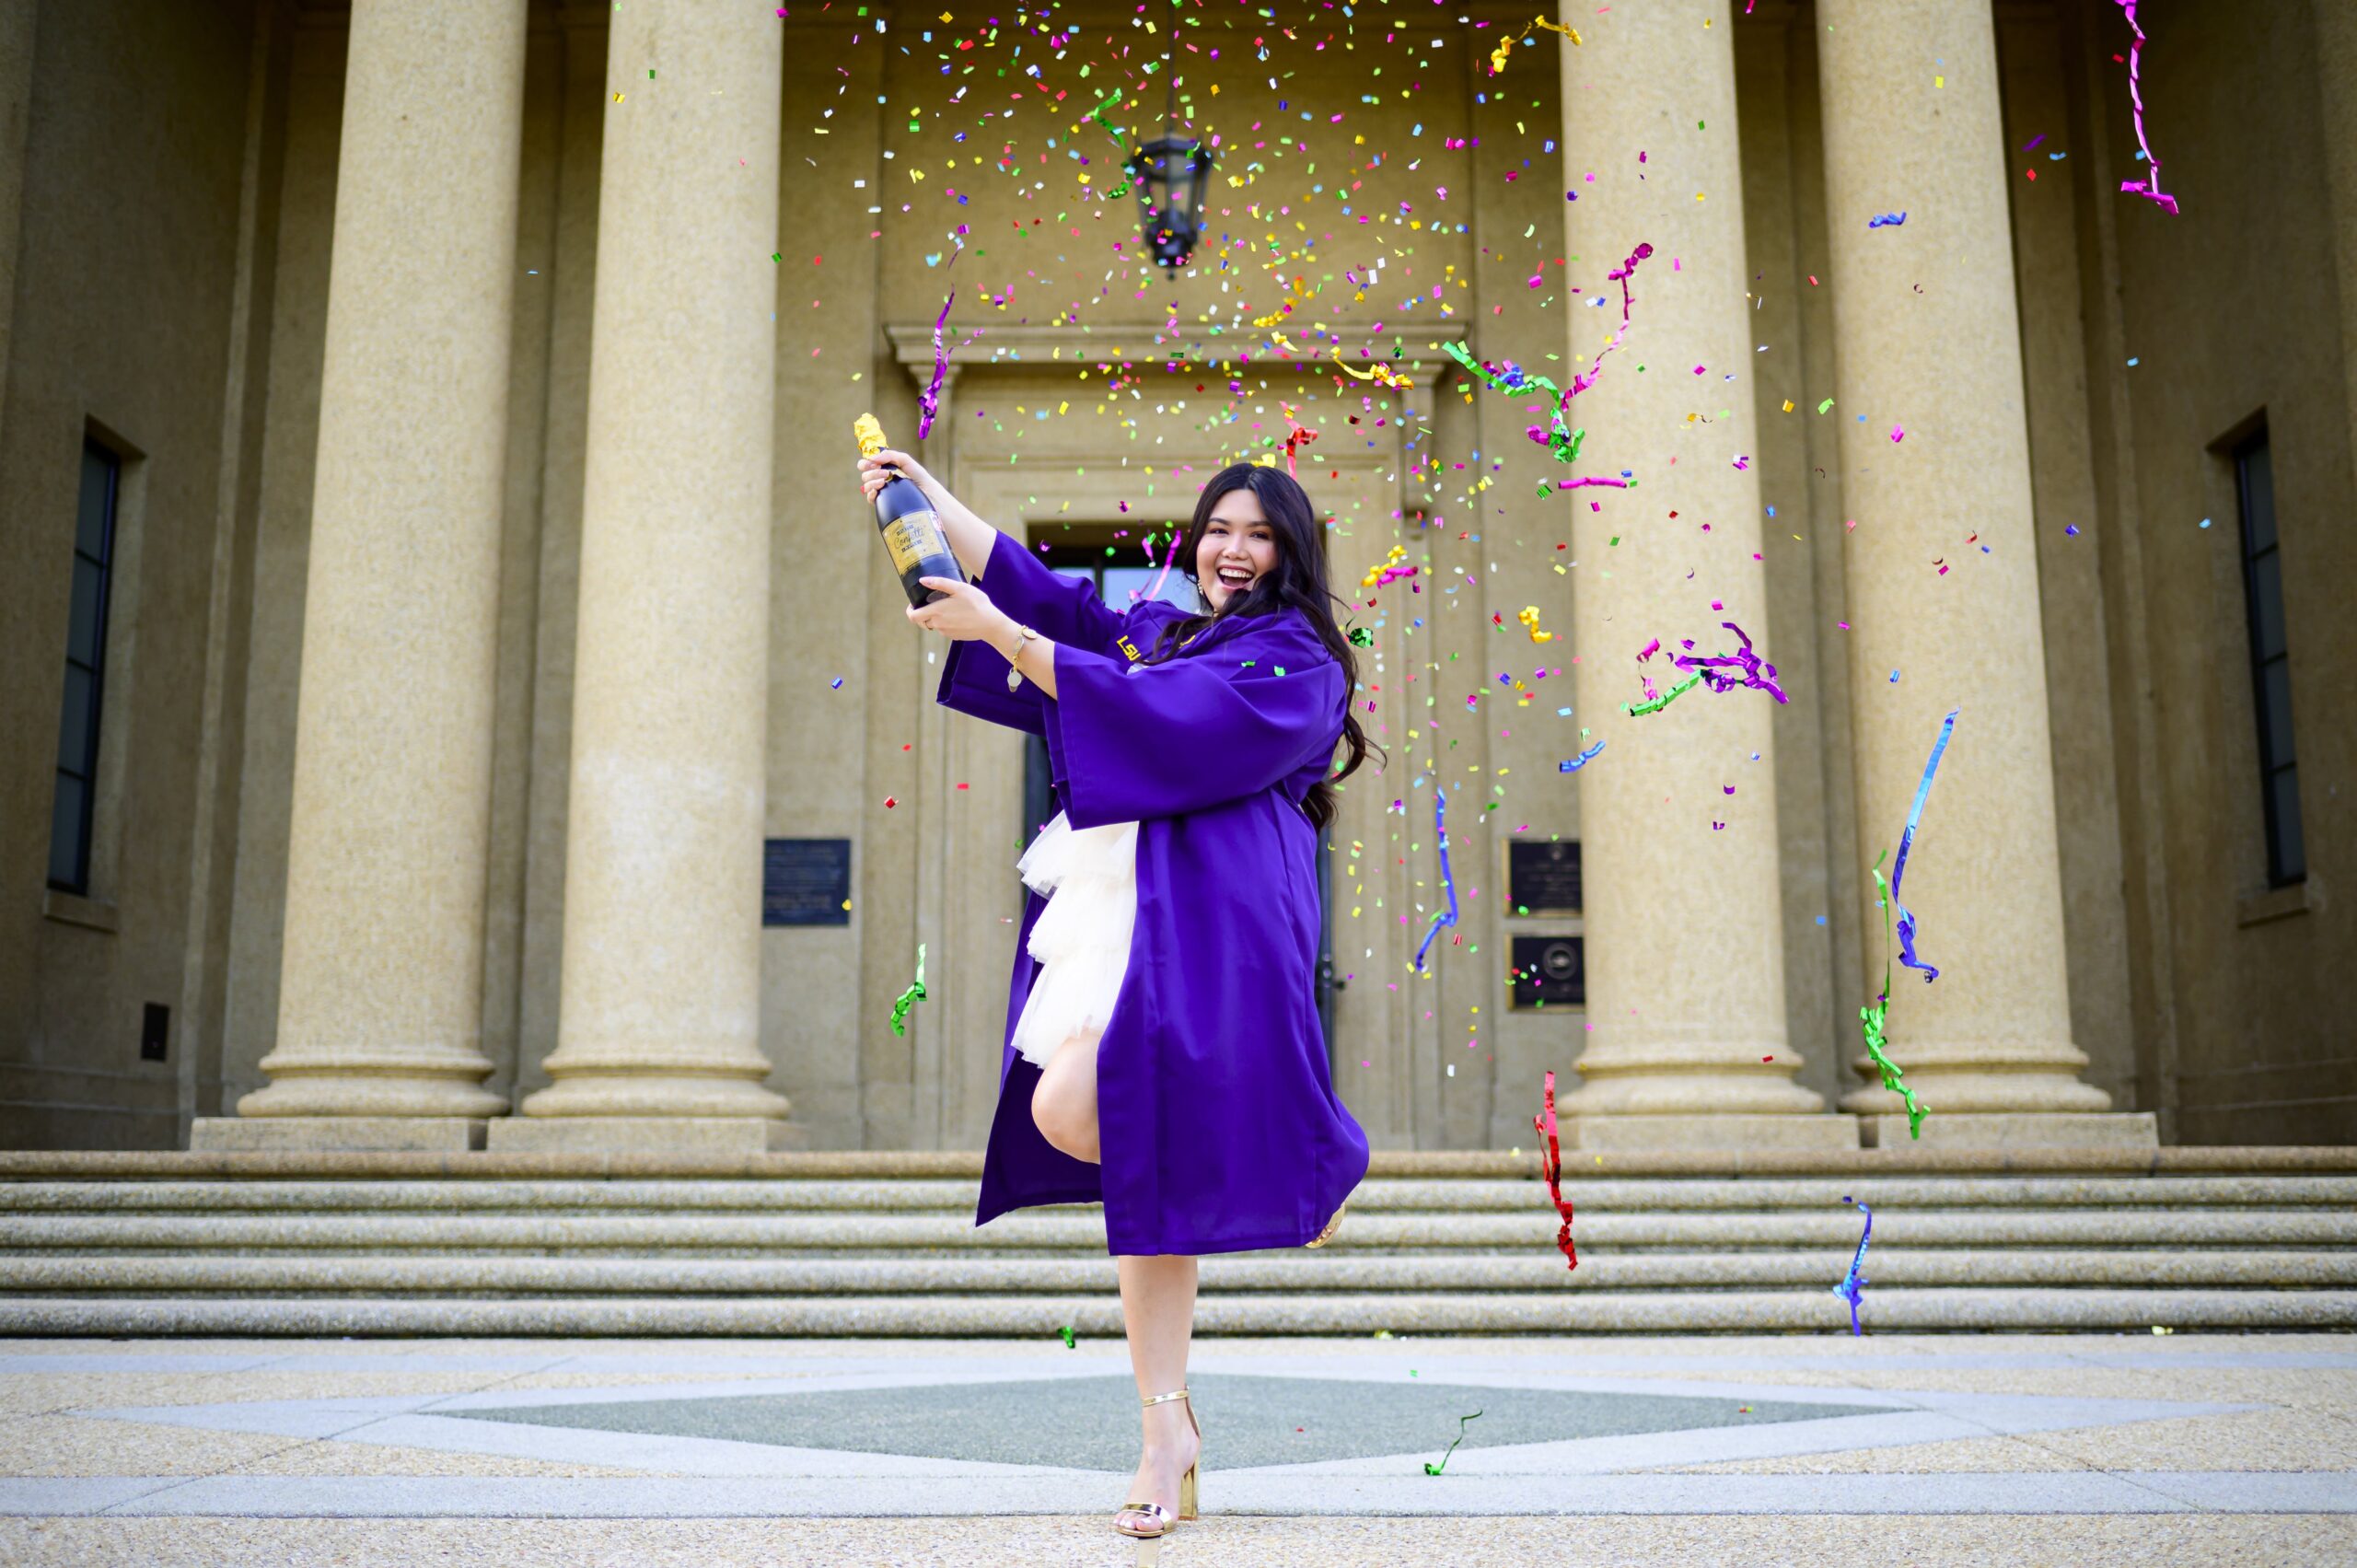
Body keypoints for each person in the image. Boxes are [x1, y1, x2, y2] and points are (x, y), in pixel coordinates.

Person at [856, 447, 1376, 1544]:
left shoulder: (1299, 660)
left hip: (1220, 916)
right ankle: (1164, 1427)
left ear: (1290, 551)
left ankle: (1307, 1149)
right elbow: (1061, 602)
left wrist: (997, 634)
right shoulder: (1174, 628)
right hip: (1130, 910)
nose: (1232, 550)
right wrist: (930, 495)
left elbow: (1171, 720)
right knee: (1121, 1138)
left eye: (1259, 534)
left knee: (1103, 1116)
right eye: (1217, 529)